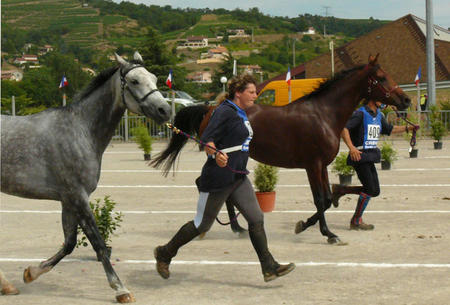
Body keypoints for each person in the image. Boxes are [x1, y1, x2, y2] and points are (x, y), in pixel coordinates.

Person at [154, 74, 295, 282]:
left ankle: (269, 267)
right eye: (251, 92)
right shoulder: (224, 111)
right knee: (201, 225)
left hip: (238, 176)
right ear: (238, 93)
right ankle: (165, 253)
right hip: (218, 178)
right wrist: (215, 153)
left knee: (256, 219)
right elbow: (207, 139)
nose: (256, 95)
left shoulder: (240, 112)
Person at [331, 99, 417, 230]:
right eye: (381, 99)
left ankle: (341, 190)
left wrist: (408, 128)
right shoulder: (360, 113)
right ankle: (356, 220)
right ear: (373, 100)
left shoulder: (379, 115)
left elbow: (389, 129)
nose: (384, 103)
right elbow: (344, 128)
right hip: (359, 155)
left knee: (375, 191)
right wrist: (351, 148)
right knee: (370, 189)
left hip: (370, 155)